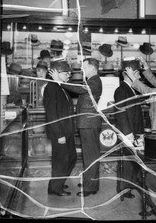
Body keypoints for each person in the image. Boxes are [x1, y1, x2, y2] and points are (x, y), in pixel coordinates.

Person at [49, 58, 102, 197]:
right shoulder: (91, 80)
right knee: (89, 155)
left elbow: (79, 89)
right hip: (87, 124)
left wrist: (60, 81)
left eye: (84, 66)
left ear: (92, 67)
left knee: (91, 156)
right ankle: (90, 182)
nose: (82, 70)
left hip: (89, 124)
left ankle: (90, 187)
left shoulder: (95, 80)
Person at [43, 61, 77, 196]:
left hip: (66, 131)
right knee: (61, 161)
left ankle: (58, 182)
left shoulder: (61, 86)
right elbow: (52, 114)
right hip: (60, 133)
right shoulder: (51, 87)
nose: (68, 75)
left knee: (71, 158)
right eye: (65, 73)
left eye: (69, 72)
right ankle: (55, 188)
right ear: (56, 73)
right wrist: (59, 134)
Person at [114, 60, 144, 199]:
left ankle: (129, 187)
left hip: (134, 131)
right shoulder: (121, 90)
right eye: (137, 72)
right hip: (128, 133)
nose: (139, 75)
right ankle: (124, 189)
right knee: (127, 162)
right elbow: (122, 114)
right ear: (126, 74)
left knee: (132, 162)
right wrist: (128, 134)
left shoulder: (132, 88)